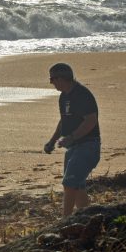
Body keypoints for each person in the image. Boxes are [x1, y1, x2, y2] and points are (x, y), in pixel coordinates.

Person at [43, 63, 101, 217]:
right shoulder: (64, 96)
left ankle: (65, 220)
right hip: (73, 147)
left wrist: (72, 137)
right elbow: (63, 122)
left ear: (61, 78)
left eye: (52, 79)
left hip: (88, 146)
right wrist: (52, 141)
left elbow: (91, 120)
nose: (51, 83)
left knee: (70, 184)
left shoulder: (82, 94)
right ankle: (87, 217)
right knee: (77, 187)